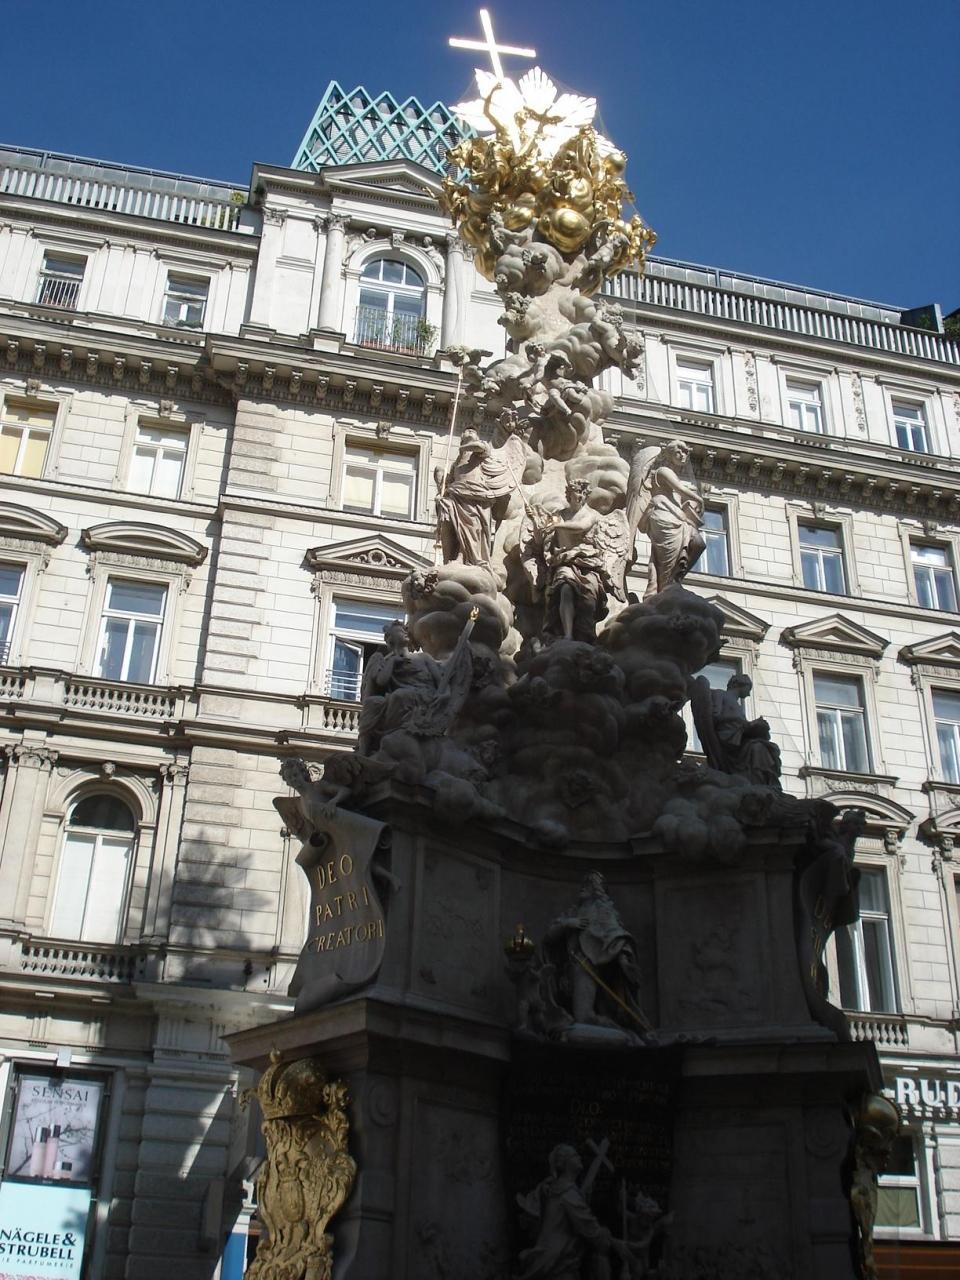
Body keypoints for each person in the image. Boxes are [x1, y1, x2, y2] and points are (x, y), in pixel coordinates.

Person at [542, 872, 646, 1032]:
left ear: (598, 889)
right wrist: (567, 924)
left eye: (589, 884)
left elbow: (618, 937)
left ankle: (620, 1033)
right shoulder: (573, 912)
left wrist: (624, 961)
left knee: (583, 1017)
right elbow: (549, 938)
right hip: (572, 968)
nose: (583, 887)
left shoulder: (605, 912)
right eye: (583, 883)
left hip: (589, 967)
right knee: (581, 1016)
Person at [516, 1144, 614, 1280]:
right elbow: (590, 1230)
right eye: (575, 1155)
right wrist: (605, 1236)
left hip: (556, 1263)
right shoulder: (567, 1193)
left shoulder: (559, 1189)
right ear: (565, 1163)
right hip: (559, 1266)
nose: (579, 1157)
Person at [626, 439, 705, 598]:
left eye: (685, 452)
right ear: (669, 454)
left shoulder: (673, 474)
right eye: (678, 451)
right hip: (663, 515)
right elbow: (679, 488)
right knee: (666, 558)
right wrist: (699, 499)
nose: (683, 455)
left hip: (677, 517)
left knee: (698, 543)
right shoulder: (663, 471)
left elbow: (679, 494)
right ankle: (663, 590)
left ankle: (673, 582)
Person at [434, 428, 514, 566]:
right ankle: (452, 557)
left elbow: (479, 446)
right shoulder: (456, 462)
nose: (470, 432)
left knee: (471, 527)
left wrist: (463, 447)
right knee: (454, 523)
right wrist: (440, 494)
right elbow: (449, 482)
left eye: (473, 431)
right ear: (461, 436)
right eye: (467, 431)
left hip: (476, 497)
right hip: (457, 494)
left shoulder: (480, 451)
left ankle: (465, 556)